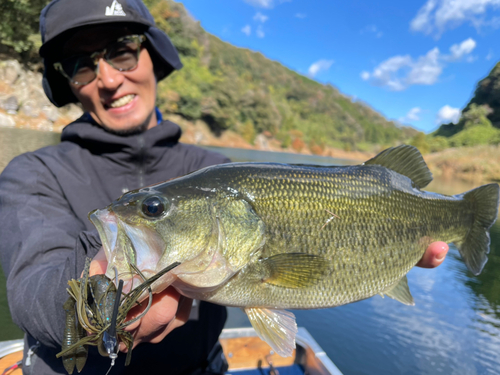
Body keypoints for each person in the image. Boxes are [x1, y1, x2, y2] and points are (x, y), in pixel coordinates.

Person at [0, 0, 449, 374]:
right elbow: (33, 282)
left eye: (122, 51)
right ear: (67, 84)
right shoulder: (31, 172)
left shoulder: (214, 168)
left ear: (151, 56)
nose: (110, 79)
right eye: (81, 65)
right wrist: (92, 302)